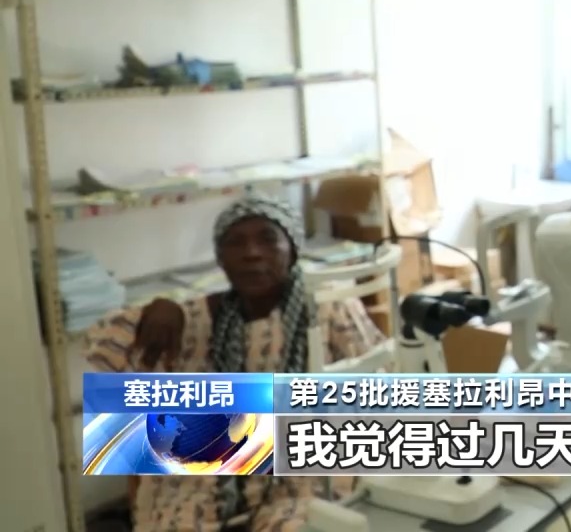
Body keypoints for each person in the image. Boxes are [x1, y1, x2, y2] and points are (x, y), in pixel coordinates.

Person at [84, 193, 387, 532]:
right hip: (205, 477)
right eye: (235, 243)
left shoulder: (328, 309)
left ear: (292, 249)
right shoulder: (196, 320)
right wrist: (156, 309)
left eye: (268, 239)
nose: (251, 253)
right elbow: (102, 347)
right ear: (220, 258)